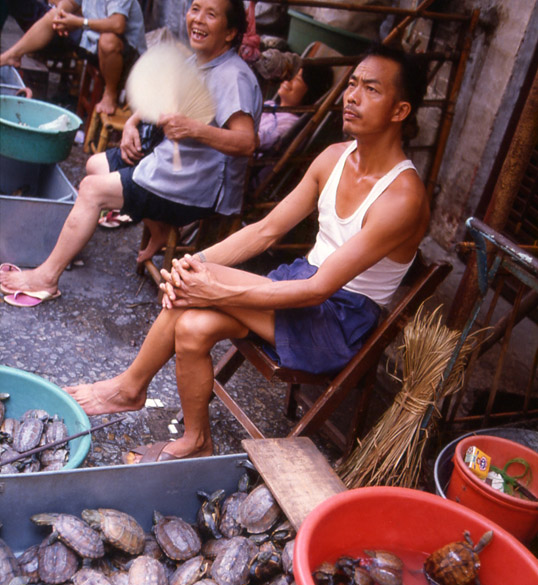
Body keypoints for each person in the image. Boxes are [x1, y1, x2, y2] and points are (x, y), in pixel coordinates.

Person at [66, 43, 431, 462]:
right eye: (351, 84)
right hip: (300, 286)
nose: (352, 96)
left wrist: (212, 287)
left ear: (400, 111)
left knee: (195, 291)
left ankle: (129, 388)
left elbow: (319, 290)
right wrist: (197, 263)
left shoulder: (402, 197)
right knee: (191, 326)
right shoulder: (334, 157)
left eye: (371, 89)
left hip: (340, 322)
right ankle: (196, 439)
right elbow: (265, 230)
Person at [0, 0, 262, 303]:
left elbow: (246, 143)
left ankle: (46, 278)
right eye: (195, 9)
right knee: (96, 165)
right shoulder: (199, 60)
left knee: (92, 190)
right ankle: (159, 225)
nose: (198, 19)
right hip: (173, 166)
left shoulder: (233, 77)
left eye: (211, 14)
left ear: (230, 33)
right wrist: (132, 124)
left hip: (196, 185)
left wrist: (193, 129)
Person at [0, 1, 147, 115]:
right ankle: (12, 56)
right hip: (94, 41)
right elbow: (71, 2)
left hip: (127, 58)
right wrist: (60, 13)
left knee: (108, 40)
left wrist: (79, 23)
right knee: (53, 16)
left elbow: (117, 25)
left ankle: (110, 94)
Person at [257, 62, 333, 153]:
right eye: (291, 74)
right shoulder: (270, 105)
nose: (288, 79)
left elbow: (260, 139)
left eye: (297, 79)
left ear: (310, 92)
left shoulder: (292, 125)